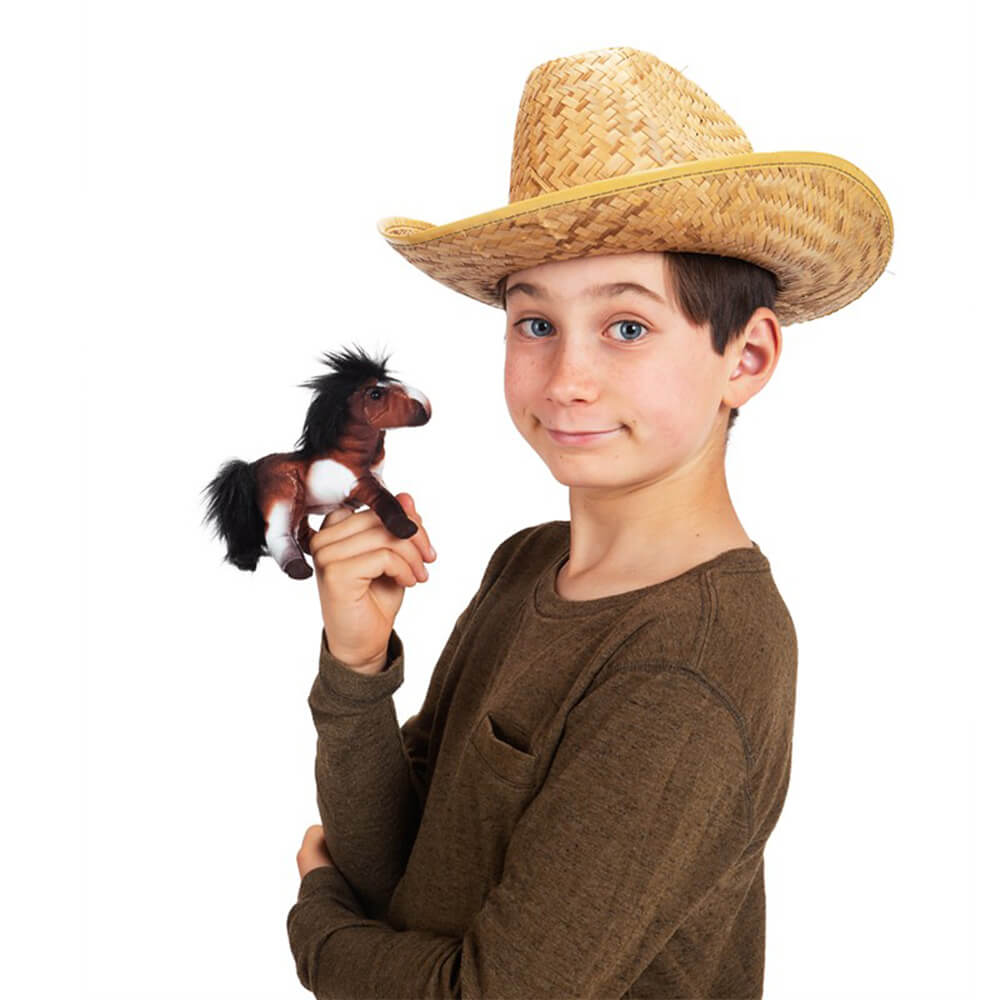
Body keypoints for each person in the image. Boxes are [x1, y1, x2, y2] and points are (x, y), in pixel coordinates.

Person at [287, 46, 893, 999]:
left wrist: (317, 921)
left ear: (747, 356)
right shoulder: (528, 565)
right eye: (535, 325)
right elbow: (393, 866)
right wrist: (358, 669)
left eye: (627, 327)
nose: (567, 379)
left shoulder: (693, 660)